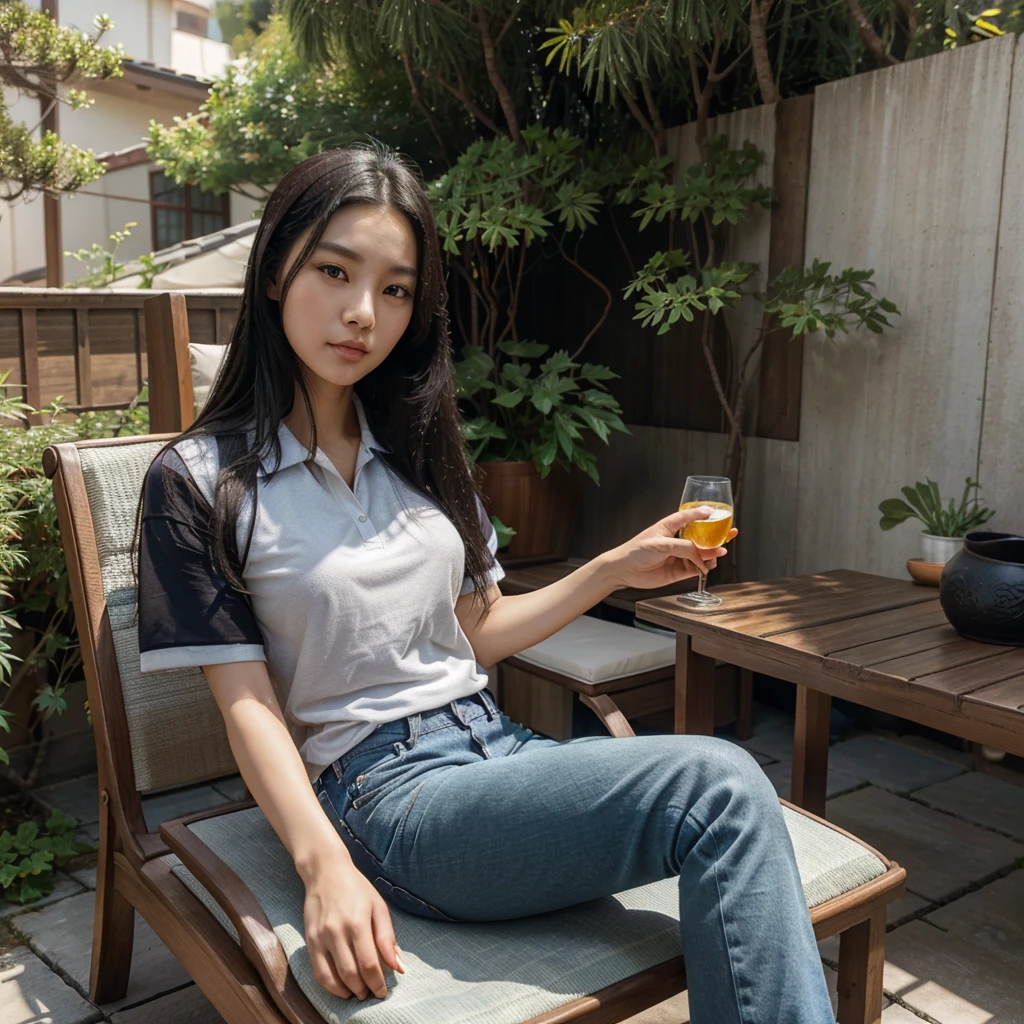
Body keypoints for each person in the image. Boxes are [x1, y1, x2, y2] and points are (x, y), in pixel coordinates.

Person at [136, 146, 834, 1024]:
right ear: (277, 269)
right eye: (334, 270)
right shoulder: (200, 479)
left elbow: (477, 631)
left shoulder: (422, 452)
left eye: (395, 290)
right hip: (387, 797)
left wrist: (613, 568)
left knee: (723, 799)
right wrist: (325, 867)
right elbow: (246, 704)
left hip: (499, 752)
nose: (362, 313)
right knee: (720, 787)